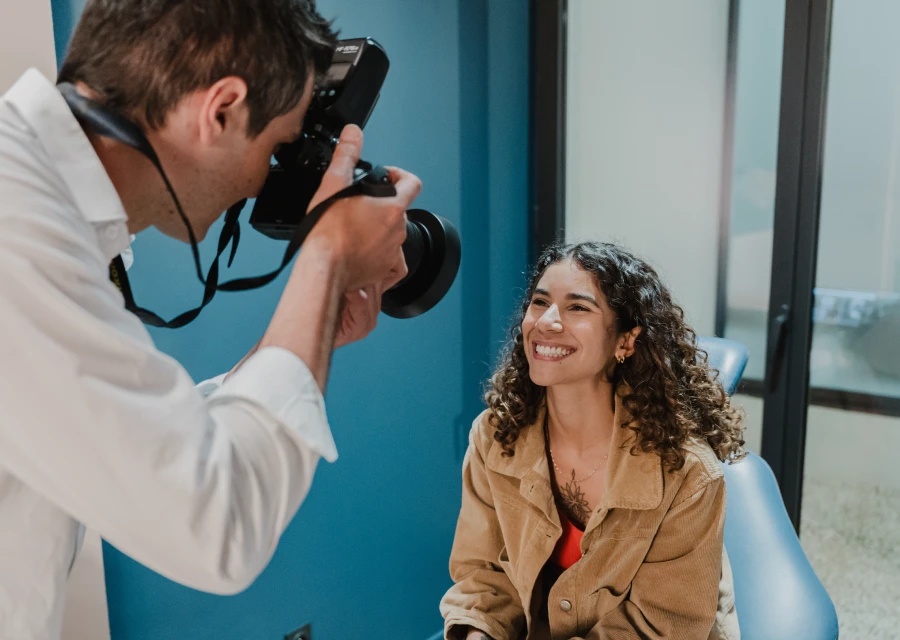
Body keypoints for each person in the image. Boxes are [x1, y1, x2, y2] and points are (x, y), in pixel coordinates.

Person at [0, 1, 421, 638]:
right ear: (220, 110)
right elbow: (214, 529)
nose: (262, 185)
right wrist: (327, 257)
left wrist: (311, 327)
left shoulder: (39, 204)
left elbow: (150, 447)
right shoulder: (18, 227)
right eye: (277, 146)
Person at [440, 242, 745, 640]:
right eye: (539, 302)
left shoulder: (687, 472)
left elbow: (663, 625)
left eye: (578, 308)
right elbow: (484, 573)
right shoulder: (496, 436)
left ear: (626, 341)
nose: (547, 321)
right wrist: (478, 633)